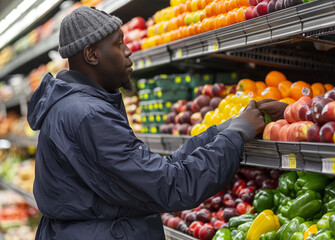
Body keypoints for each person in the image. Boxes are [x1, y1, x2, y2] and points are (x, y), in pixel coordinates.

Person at [27, 6, 271, 239]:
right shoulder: (89, 115)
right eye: (118, 43)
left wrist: (227, 128)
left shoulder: (73, 106)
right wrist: (237, 135)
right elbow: (172, 185)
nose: (128, 50)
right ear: (92, 55)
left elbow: (155, 170)